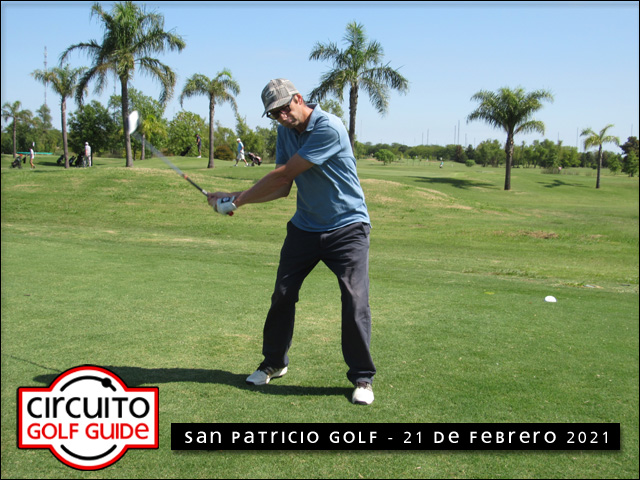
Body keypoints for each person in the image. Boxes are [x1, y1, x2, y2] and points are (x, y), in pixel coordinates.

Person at [207, 78, 376, 405]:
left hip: (348, 228)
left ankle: (362, 378)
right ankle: (274, 362)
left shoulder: (328, 127)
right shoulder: (285, 131)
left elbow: (285, 175)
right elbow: (283, 188)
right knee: (282, 295)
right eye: (274, 114)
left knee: (355, 300)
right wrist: (235, 198)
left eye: (284, 109)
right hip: (304, 228)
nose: (282, 117)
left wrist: (236, 200)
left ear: (298, 98)